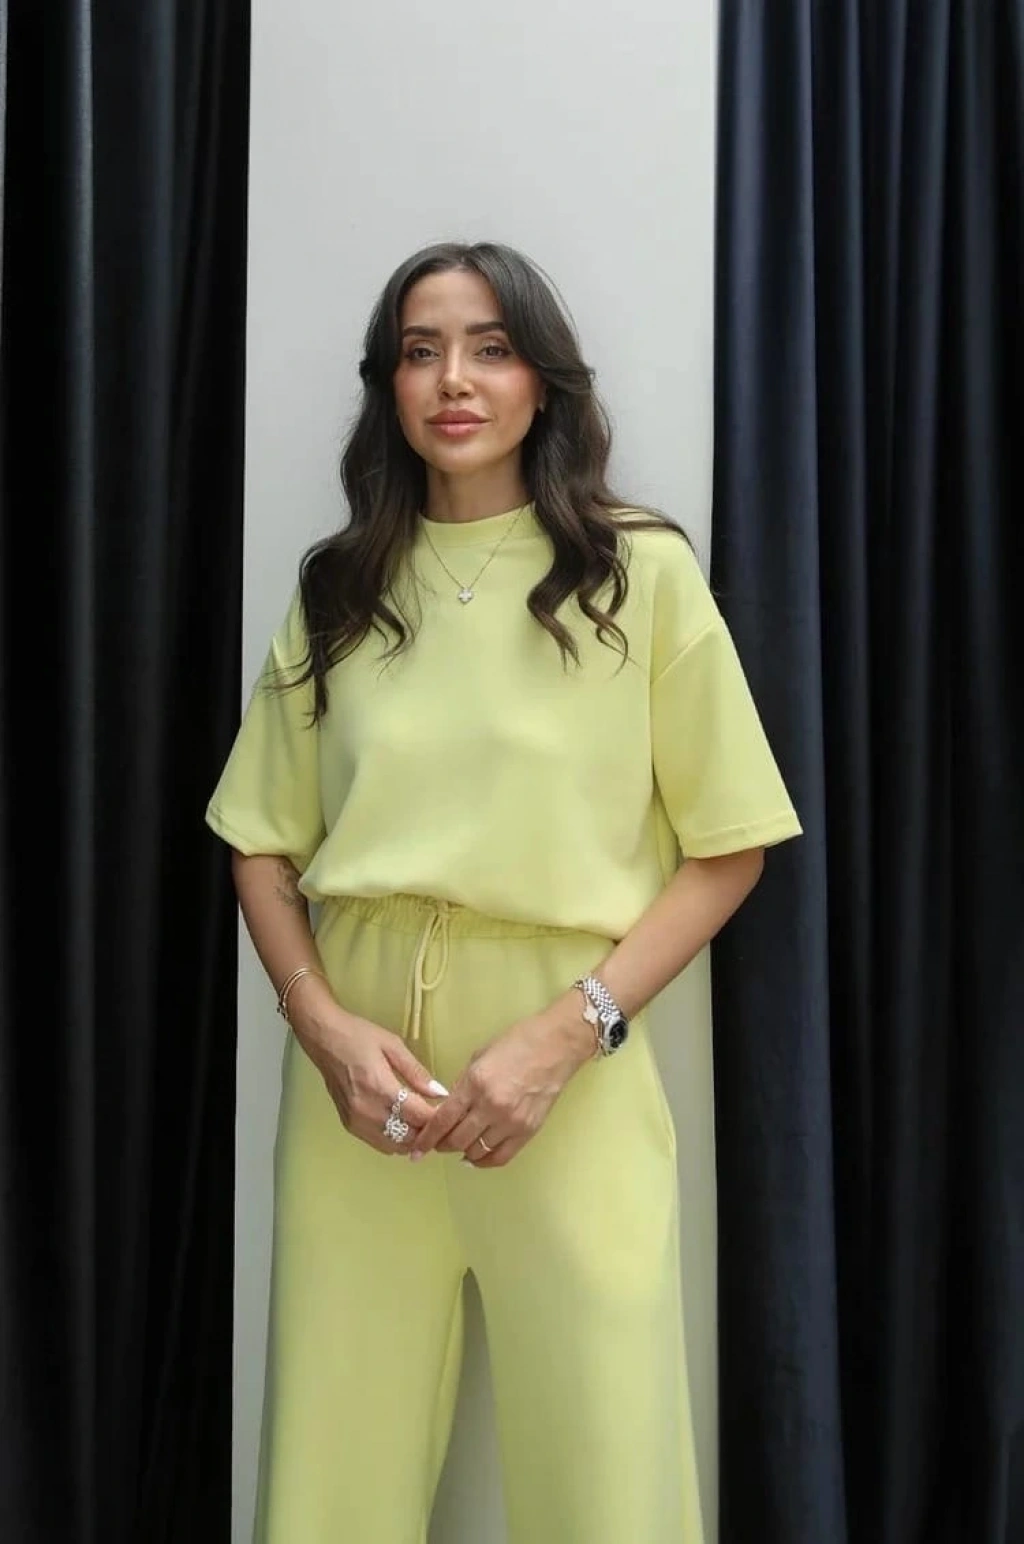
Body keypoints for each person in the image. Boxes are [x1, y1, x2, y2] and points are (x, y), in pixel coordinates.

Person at [206, 240, 802, 1544]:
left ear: (545, 380)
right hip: (357, 1074)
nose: (454, 381)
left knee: (608, 1467)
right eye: (421, 352)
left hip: (568, 1056)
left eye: (490, 347)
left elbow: (732, 847)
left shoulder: (637, 574)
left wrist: (571, 1030)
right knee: (332, 1468)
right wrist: (320, 1024)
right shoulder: (341, 586)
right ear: (389, 385)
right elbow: (258, 839)